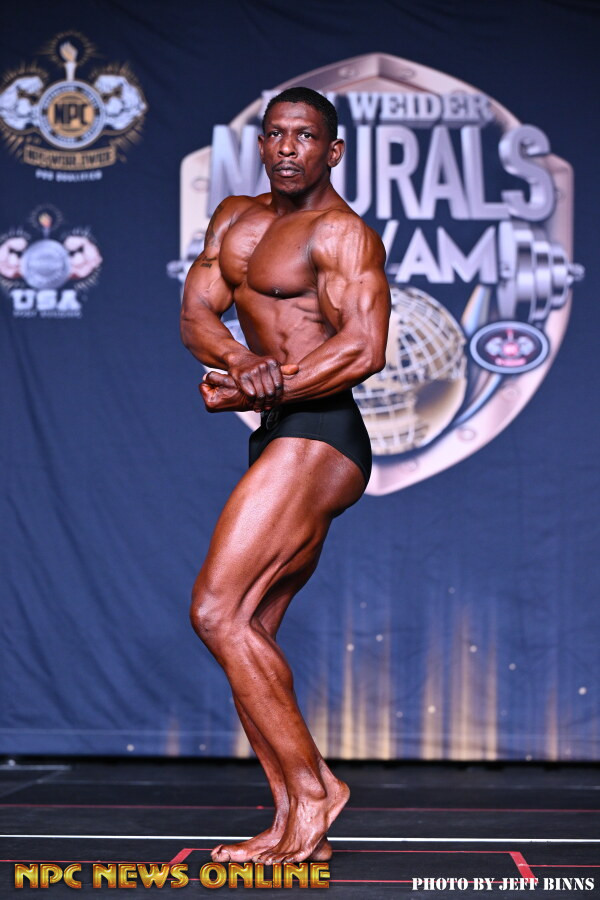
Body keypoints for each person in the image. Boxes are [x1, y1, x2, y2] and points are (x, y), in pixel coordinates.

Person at [180, 86, 390, 865]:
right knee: (250, 632)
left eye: (304, 136)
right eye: (274, 134)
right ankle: (290, 818)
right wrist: (241, 361)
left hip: (322, 431)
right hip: (278, 429)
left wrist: (265, 387)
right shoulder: (235, 219)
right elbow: (197, 314)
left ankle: (316, 790)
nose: (287, 148)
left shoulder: (340, 233)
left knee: (216, 610)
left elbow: (364, 347)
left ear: (333, 151)